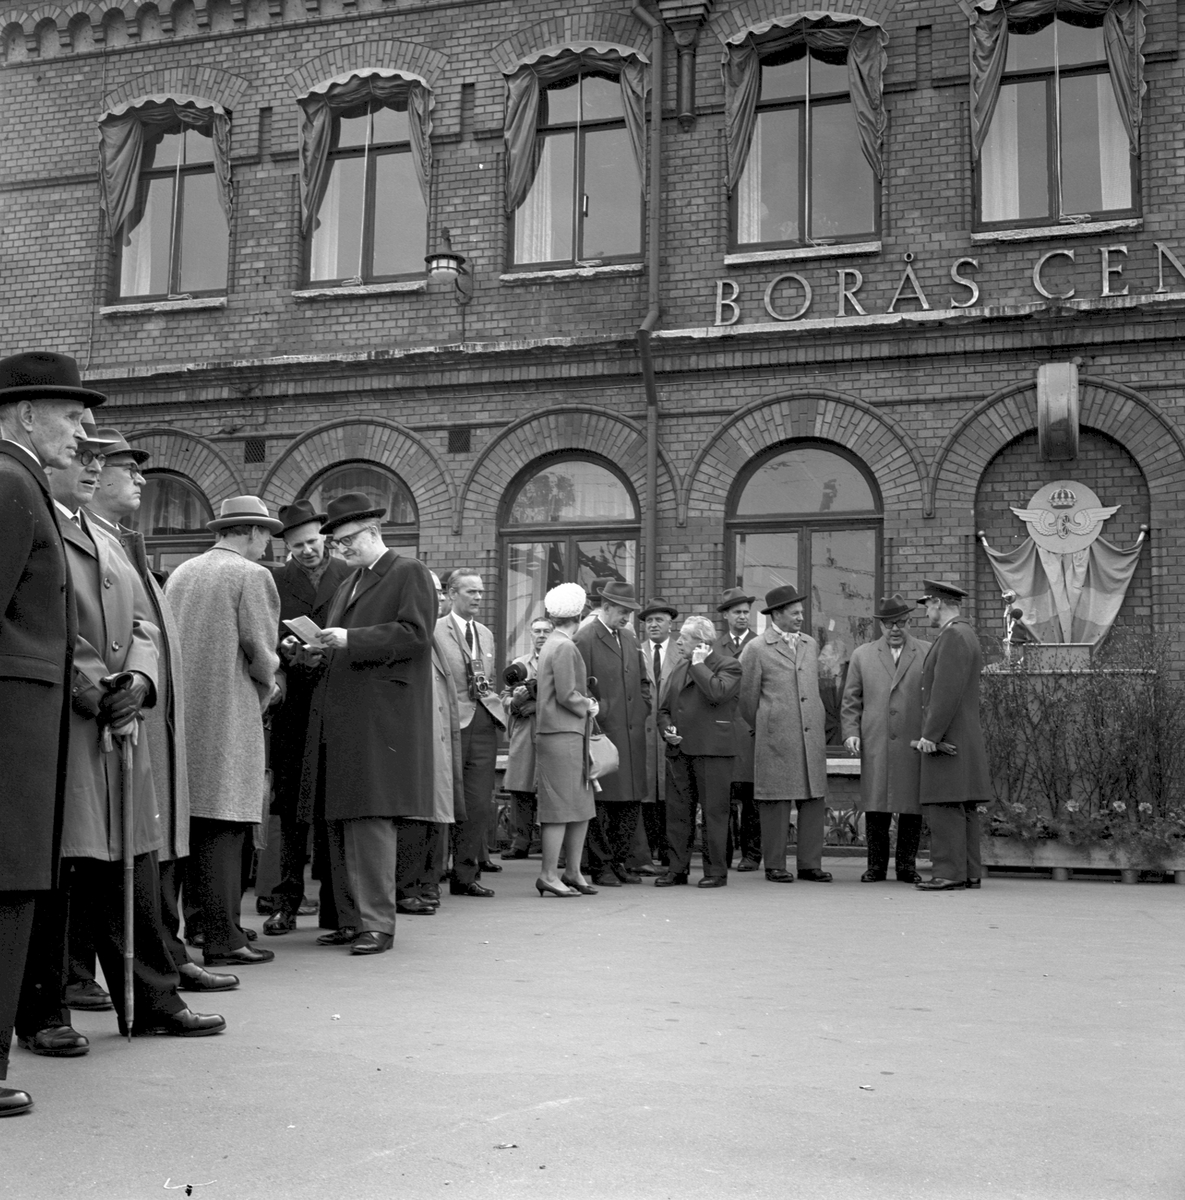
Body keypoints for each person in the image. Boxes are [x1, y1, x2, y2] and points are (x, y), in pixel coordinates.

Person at [30, 423, 226, 1040]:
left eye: (99, 458)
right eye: (83, 455)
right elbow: (41, 623)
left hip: (118, 731)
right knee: (61, 875)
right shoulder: (39, 522)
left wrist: (139, 681)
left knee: (131, 871)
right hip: (68, 725)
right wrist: (100, 689)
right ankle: (47, 1012)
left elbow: (145, 624)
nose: (93, 467)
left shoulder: (104, 536)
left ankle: (154, 1002)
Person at [83, 427, 235, 997]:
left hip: (145, 716)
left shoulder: (123, 542)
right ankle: (86, 975)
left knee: (151, 846)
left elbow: (144, 629)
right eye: (127, 467)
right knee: (108, 853)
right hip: (113, 718)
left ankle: (164, 956)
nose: (141, 479)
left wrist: (144, 681)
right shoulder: (93, 538)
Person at [0, 352, 95, 1115]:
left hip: (22, 733)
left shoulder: (19, 481)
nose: (83, 429)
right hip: (10, 739)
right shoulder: (10, 483)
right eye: (70, 414)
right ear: (27, 414)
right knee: (6, 895)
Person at [298, 493, 437, 953]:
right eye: (336, 544)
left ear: (373, 532)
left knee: (370, 822)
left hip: (380, 720)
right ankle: (351, 919)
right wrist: (315, 648)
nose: (341, 550)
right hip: (346, 719)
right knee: (342, 820)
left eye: (347, 541)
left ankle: (377, 924)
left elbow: (416, 635)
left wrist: (350, 638)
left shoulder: (408, 571)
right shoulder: (351, 582)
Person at [167, 496, 282, 967]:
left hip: (182, 717)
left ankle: (196, 928)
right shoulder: (251, 575)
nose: (268, 543)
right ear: (252, 531)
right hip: (229, 714)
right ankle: (224, 939)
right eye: (267, 533)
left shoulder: (182, 572)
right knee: (227, 826)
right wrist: (269, 685)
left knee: (190, 829)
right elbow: (261, 651)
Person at [260, 500, 352, 936]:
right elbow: (266, 636)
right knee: (291, 808)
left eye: (313, 542)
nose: (307, 551)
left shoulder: (349, 574)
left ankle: (335, 906)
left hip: (336, 701)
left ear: (325, 538)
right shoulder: (276, 581)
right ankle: (285, 901)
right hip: (294, 705)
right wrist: (287, 650)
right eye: (298, 546)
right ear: (287, 548)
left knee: (333, 805)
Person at [738, 586, 832, 884]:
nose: (801, 617)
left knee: (813, 799)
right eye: (794, 613)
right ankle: (775, 864)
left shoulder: (809, 644)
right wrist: (769, 722)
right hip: (776, 736)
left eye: (801, 612)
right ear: (777, 615)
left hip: (810, 736)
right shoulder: (756, 648)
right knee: (776, 801)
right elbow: (746, 699)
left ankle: (810, 864)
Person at [840, 594, 926, 884]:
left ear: (909, 622)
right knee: (876, 805)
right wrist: (851, 733)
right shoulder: (862, 655)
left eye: (901, 623)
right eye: (889, 624)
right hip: (875, 739)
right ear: (880, 626)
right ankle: (876, 867)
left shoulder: (926, 652)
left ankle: (907, 867)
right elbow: (851, 700)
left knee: (912, 807)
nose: (895, 629)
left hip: (912, 740)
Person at [915, 579, 991, 891]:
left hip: (949, 737)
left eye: (927, 605)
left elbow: (945, 692)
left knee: (944, 805)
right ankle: (969, 871)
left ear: (938, 603)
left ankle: (949, 872)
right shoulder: (965, 633)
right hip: (962, 734)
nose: (926, 612)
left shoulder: (953, 635)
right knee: (964, 808)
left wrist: (931, 735)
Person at [573, 580, 651, 886]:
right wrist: (600, 712)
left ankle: (619, 861)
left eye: (629, 612)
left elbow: (643, 681)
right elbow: (578, 686)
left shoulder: (629, 637)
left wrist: (643, 707)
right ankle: (600, 865)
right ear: (605, 607)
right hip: (603, 733)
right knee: (601, 804)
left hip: (632, 734)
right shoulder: (585, 637)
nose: (627, 617)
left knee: (629, 802)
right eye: (622, 611)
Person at [656, 616, 742, 889]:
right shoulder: (679, 667)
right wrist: (666, 729)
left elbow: (717, 692)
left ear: (702, 642)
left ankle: (716, 871)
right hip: (680, 750)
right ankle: (677, 869)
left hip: (713, 750)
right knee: (678, 812)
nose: (678, 641)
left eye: (684, 637)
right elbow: (664, 709)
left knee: (714, 813)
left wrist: (698, 664)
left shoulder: (729, 665)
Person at [395, 573, 463, 916]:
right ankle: (408, 887)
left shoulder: (433, 634)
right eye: (431, 592)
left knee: (433, 815)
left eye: (439, 592)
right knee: (416, 815)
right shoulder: (411, 633)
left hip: (438, 736)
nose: (438, 598)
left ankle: (425, 882)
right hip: (415, 738)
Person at [436, 569, 505, 897]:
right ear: (452, 594)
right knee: (444, 799)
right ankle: (433, 874)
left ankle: (465, 875)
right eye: (471, 591)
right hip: (450, 723)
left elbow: (486, 679)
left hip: (483, 722)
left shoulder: (486, 634)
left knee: (477, 803)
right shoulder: (436, 630)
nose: (478, 597)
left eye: (480, 591)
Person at [532, 584, 599, 897]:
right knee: (561, 806)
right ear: (580, 614)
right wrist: (589, 704)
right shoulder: (565, 647)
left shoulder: (553, 643)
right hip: (563, 734)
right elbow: (567, 694)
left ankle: (572, 871)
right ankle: (550, 874)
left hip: (562, 734)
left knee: (578, 803)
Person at [713, 588, 761, 871]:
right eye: (737, 612)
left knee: (753, 799)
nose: (742, 617)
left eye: (746, 612)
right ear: (726, 616)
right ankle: (725, 854)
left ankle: (752, 854)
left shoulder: (760, 644)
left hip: (752, 730)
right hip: (723, 731)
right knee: (724, 799)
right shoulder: (714, 647)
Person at [499, 616, 553, 861]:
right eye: (537, 631)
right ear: (530, 635)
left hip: (552, 730)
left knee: (553, 789)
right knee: (521, 787)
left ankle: (553, 846)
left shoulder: (560, 660)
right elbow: (504, 699)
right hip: (524, 730)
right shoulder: (519, 664)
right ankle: (520, 843)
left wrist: (538, 706)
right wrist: (517, 701)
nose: (541, 635)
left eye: (546, 631)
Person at [637, 597, 679, 872]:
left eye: (659, 620)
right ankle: (646, 853)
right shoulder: (636, 651)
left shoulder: (681, 652)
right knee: (646, 793)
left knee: (670, 794)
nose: (653, 624)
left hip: (672, 732)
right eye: (649, 620)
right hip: (643, 733)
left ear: (670, 624)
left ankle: (668, 853)